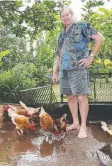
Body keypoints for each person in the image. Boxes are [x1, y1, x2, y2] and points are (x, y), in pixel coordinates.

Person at [52, 6, 104, 138]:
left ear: (72, 14)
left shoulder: (82, 26)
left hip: (78, 69)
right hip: (65, 71)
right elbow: (59, 55)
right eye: (63, 16)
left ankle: (83, 127)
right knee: (70, 97)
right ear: (61, 18)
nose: (65, 17)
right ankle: (75, 123)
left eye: (67, 14)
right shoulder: (62, 35)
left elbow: (100, 38)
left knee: (81, 98)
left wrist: (91, 57)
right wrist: (55, 72)